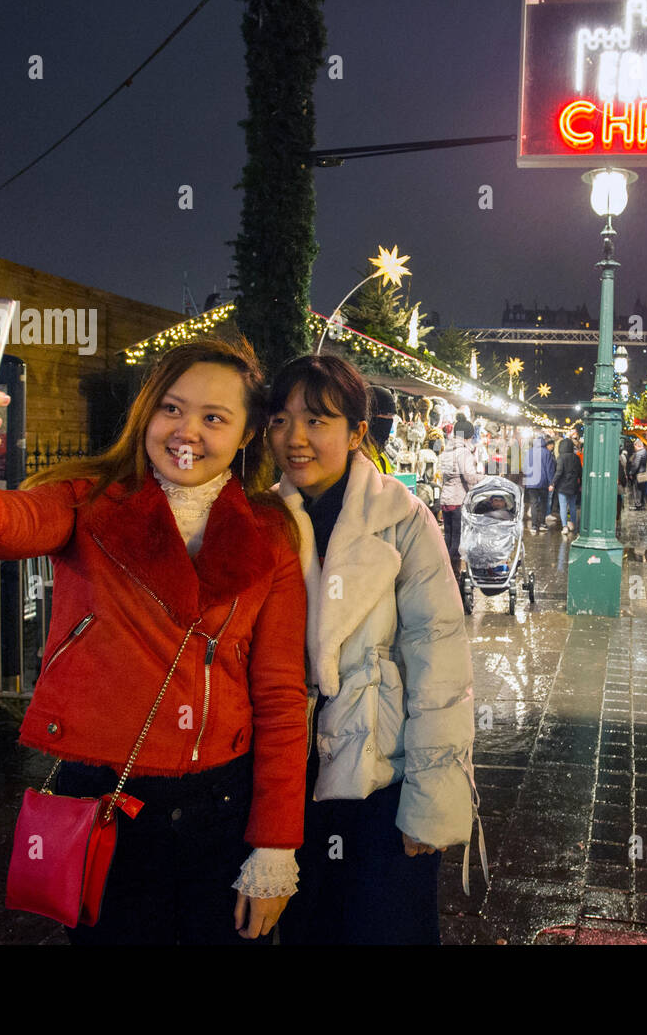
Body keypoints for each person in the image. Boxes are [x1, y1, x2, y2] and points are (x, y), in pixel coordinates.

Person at [0, 336, 309, 943]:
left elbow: (279, 692)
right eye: (171, 408)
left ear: (245, 435)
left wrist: (276, 844)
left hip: (223, 805)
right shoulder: (89, 499)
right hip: (105, 796)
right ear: (147, 412)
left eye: (214, 418)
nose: (186, 431)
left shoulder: (270, 529)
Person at [266, 354, 480, 945]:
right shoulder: (264, 518)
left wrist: (432, 802)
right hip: (295, 780)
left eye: (317, 420)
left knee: (386, 927)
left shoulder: (404, 521)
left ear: (358, 433)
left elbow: (440, 663)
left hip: (384, 782)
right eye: (281, 421)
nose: (296, 438)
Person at [439, 416, 481, 576]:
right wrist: (484, 479)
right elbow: (469, 477)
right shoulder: (463, 452)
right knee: (457, 540)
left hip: (446, 500)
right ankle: (452, 574)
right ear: (469, 436)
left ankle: (444, 569)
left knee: (448, 538)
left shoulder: (447, 451)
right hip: (458, 501)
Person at [522, 433, 555, 533]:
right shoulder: (547, 453)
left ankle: (533, 526)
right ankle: (542, 524)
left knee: (533, 503)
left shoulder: (529, 452)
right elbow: (550, 469)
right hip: (543, 482)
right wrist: (551, 483)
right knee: (543, 504)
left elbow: (525, 467)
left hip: (532, 481)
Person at [553, 435, 583, 536]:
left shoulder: (561, 458)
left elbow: (559, 472)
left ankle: (565, 526)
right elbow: (580, 472)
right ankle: (573, 524)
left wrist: (553, 482)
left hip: (562, 486)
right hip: (574, 486)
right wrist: (581, 484)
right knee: (572, 506)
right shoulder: (576, 457)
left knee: (563, 506)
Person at [365, 385, 397, 475]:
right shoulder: (356, 459)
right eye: (385, 413)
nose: (389, 419)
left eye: (392, 415)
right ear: (369, 416)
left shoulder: (382, 457)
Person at [629, 439, 647, 509]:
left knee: (637, 490)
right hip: (643, 473)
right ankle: (641, 503)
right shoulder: (645, 452)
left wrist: (631, 473)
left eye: (634, 446)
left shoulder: (638, 453)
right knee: (642, 489)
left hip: (638, 474)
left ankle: (638, 504)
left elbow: (636, 465)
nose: (634, 448)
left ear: (637, 445)